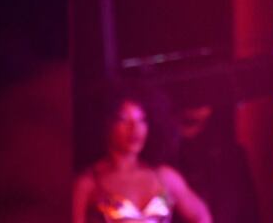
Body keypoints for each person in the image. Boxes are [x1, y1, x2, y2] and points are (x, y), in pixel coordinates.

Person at [72, 86, 212, 223]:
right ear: (105, 124)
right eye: (124, 120)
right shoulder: (88, 184)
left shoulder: (164, 176)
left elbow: (202, 216)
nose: (135, 128)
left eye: (142, 120)